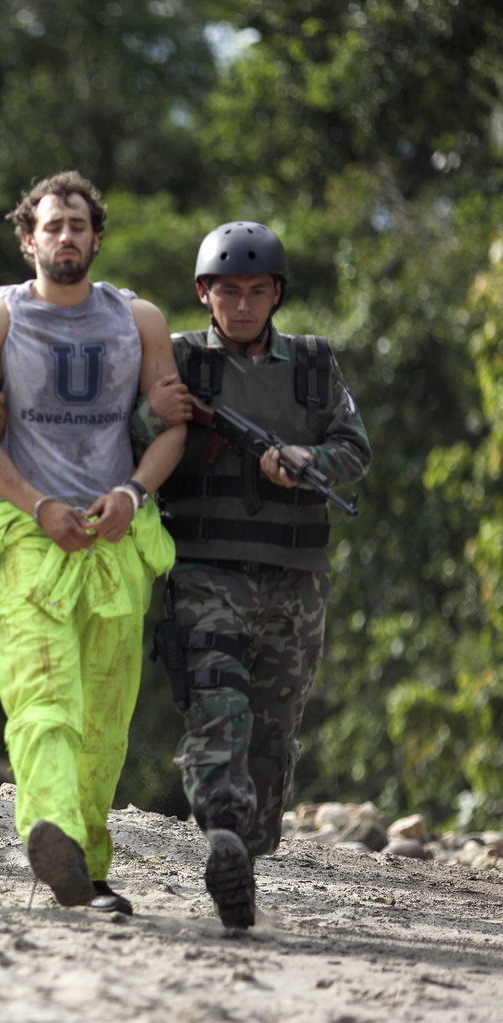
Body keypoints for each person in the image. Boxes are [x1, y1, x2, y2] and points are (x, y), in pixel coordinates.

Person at [0, 171, 185, 915]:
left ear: (96, 236)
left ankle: (82, 864)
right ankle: (47, 826)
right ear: (27, 240)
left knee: (104, 723)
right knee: (43, 694)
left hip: (118, 538)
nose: (65, 237)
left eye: (78, 225)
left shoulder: (138, 317)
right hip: (28, 532)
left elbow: (172, 422)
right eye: (51, 226)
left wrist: (134, 493)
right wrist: (38, 503)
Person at [135, 221, 371, 929]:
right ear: (205, 293)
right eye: (228, 291)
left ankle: (248, 846)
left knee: (273, 733)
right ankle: (224, 835)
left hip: (295, 582)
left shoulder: (313, 367)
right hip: (206, 572)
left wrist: (306, 462)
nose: (242, 305)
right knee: (218, 713)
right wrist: (155, 416)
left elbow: (354, 450)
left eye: (256, 292)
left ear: (276, 295)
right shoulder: (180, 361)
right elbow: (126, 438)